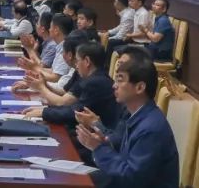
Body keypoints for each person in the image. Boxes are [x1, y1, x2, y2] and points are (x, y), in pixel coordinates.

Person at [75, 46, 179, 187]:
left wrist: (98, 148)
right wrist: (103, 144)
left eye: (120, 80)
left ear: (140, 87)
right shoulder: (138, 115)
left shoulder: (150, 128)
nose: (114, 86)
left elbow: (131, 178)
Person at [23, 40, 118, 131]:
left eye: (77, 60)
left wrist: (44, 112)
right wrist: (45, 109)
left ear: (87, 61)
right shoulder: (96, 77)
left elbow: (75, 113)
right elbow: (73, 106)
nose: (76, 65)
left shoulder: (95, 83)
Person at [19, 14, 76, 87]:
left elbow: (56, 78)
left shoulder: (64, 48)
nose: (49, 29)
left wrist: (34, 68)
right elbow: (52, 71)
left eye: (51, 27)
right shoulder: (60, 46)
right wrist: (34, 69)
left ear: (56, 30)